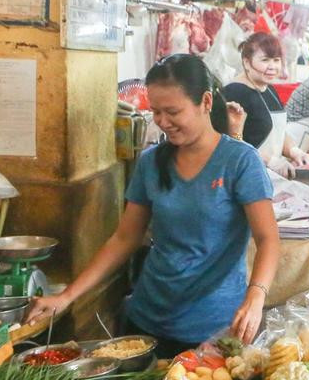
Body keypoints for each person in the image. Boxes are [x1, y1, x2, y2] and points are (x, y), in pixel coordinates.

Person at [26, 55, 279, 356]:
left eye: (173, 111)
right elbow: (124, 238)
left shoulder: (239, 161)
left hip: (213, 328)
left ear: (206, 102)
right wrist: (66, 297)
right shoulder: (151, 162)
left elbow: (268, 239)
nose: (162, 121)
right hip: (147, 320)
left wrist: (256, 296)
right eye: (156, 111)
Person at [223, 32, 309, 176]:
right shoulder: (235, 92)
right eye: (265, 60)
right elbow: (233, 143)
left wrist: (294, 151)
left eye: (276, 60)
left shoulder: (269, 88)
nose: (272, 67)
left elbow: (278, 132)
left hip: (268, 175)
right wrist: (270, 161)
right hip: (244, 175)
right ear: (246, 62)